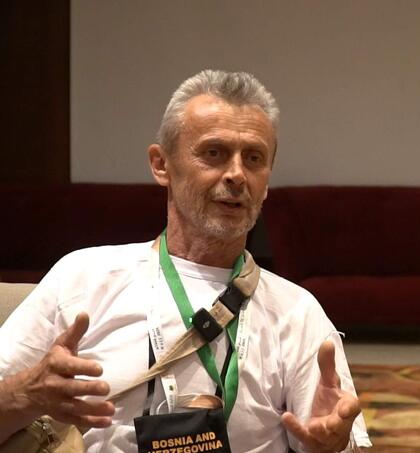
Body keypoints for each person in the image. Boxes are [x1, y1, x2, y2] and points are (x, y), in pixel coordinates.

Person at [0, 70, 371, 452]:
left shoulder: (297, 312)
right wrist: (24, 394)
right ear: (161, 164)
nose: (237, 174)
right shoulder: (84, 278)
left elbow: (330, 435)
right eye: (214, 153)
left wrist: (332, 447)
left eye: (254, 158)